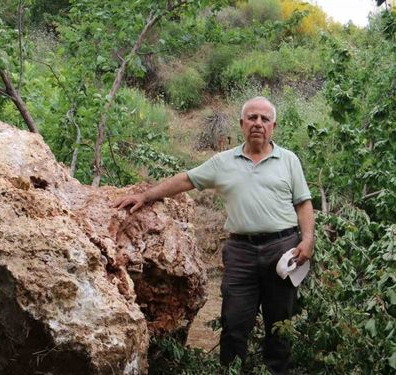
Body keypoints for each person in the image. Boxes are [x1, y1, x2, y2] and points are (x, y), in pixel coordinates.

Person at [113, 96, 314, 374]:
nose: (258, 124)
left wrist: (307, 239)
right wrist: (145, 196)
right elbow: (186, 180)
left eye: (264, 119)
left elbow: (303, 203)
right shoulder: (223, 162)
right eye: (252, 118)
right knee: (233, 326)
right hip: (241, 253)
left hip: (282, 249)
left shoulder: (289, 160)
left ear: (274, 126)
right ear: (242, 124)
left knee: (279, 326)